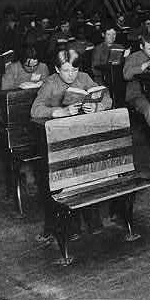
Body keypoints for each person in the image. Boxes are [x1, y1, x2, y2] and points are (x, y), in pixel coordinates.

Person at [31, 49, 113, 240]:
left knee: (91, 166)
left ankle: (91, 215)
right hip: (59, 141)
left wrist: (98, 106)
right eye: (66, 71)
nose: (71, 75)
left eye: (74, 70)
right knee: (68, 173)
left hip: (82, 137)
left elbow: (106, 97)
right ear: (57, 69)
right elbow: (35, 109)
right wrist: (59, 111)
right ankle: (72, 221)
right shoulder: (50, 83)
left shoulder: (84, 78)